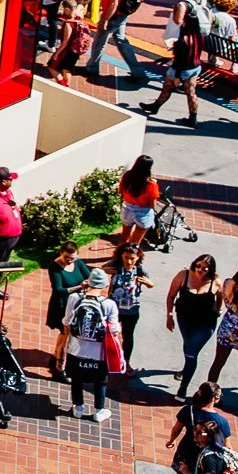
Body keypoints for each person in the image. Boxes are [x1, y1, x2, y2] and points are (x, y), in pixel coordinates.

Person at [65, 266, 121, 421]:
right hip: (99, 353)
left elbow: (67, 321)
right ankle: (99, 411)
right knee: (100, 382)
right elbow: (115, 329)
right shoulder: (109, 304)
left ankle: (78, 408)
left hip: (75, 349)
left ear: (88, 283)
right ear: (105, 286)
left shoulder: (75, 299)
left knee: (76, 379)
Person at [171, 254, 225, 398]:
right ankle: (185, 369)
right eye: (198, 266)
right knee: (188, 345)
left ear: (210, 269)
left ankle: (183, 388)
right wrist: (169, 316)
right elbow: (171, 295)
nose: (201, 269)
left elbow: (221, 297)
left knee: (192, 353)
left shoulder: (215, 282)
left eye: (205, 268)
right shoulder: (184, 275)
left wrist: (218, 309)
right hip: (184, 319)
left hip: (205, 323)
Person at [206, 258, 238, 394]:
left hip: (226, 327)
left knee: (218, 363)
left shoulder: (228, 282)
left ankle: (209, 392)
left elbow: (223, 299)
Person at [45, 240, 91, 373]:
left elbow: (89, 276)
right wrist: (79, 287)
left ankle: (55, 357)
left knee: (65, 334)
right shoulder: (54, 267)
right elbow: (58, 290)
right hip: (62, 305)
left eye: (73, 258)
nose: (70, 261)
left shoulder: (78, 262)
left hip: (75, 304)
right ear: (61, 253)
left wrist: (89, 282)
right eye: (67, 258)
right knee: (65, 334)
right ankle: (58, 366)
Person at [121, 156, 163, 250]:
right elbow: (153, 205)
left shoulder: (127, 176)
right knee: (134, 243)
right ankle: (128, 260)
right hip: (142, 212)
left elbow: (121, 191)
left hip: (127, 208)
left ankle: (118, 256)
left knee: (124, 238)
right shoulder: (151, 184)